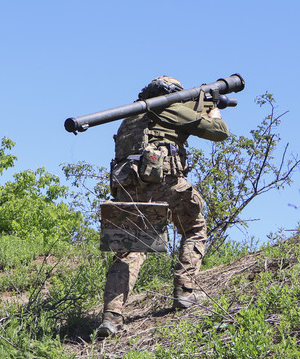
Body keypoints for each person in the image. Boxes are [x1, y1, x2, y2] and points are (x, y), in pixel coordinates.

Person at [97, 76, 230, 338]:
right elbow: (219, 132)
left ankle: (111, 318)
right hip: (164, 181)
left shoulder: (131, 117)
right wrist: (213, 109)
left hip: (129, 187)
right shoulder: (167, 107)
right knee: (194, 227)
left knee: (131, 250)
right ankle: (185, 291)